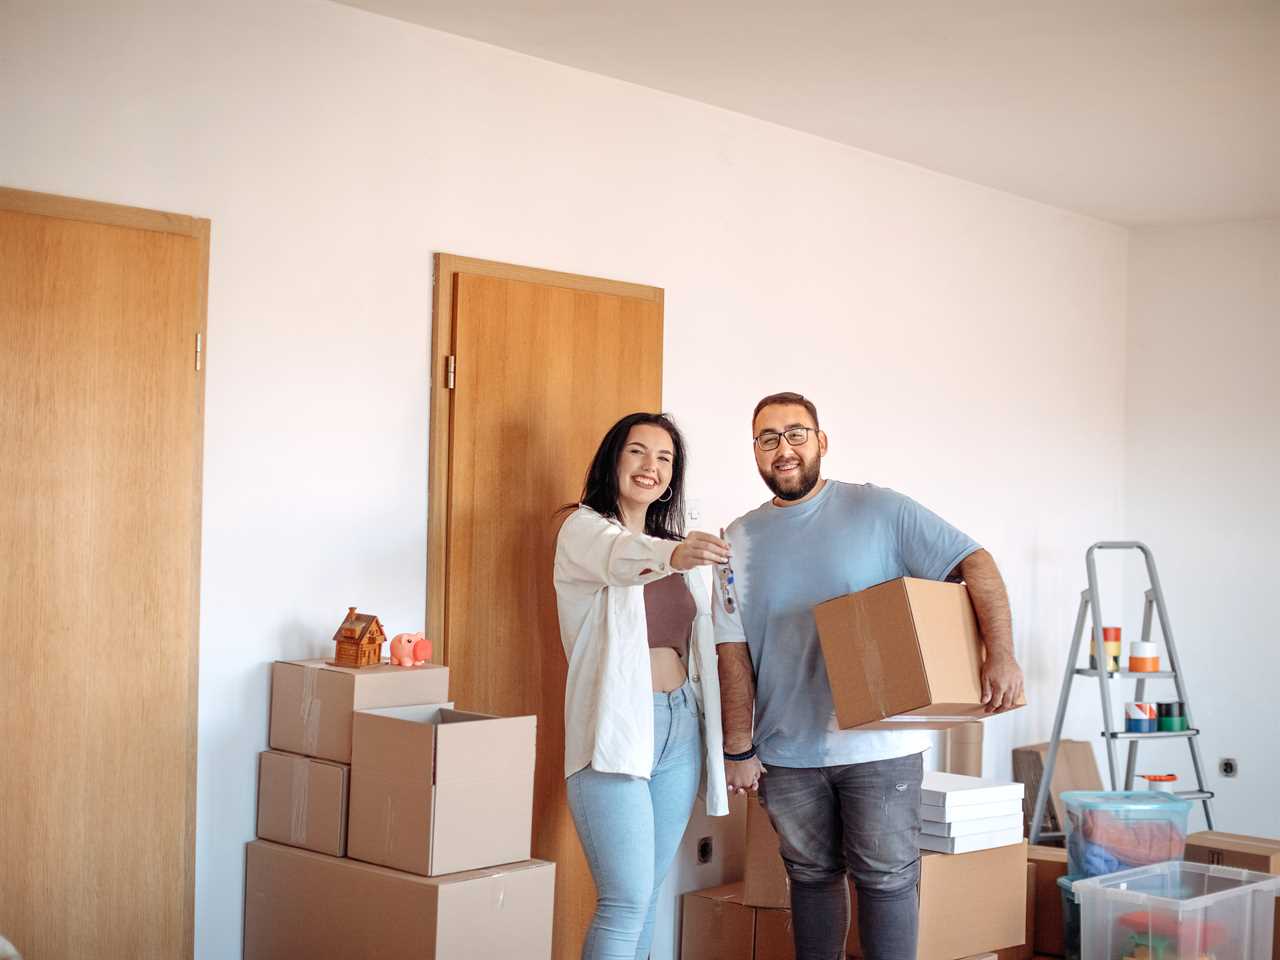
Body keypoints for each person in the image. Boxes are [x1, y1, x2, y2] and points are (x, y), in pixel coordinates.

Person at [713, 391, 1026, 960]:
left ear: (821, 442)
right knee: (809, 877)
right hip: (787, 749)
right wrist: (738, 745)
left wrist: (999, 655)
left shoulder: (878, 509)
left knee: (886, 879)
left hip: (881, 743)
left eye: (795, 434)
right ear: (754, 452)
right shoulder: (737, 538)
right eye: (767, 438)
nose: (783, 449)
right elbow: (731, 648)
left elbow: (973, 560)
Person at [554, 411, 733, 960]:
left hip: (679, 727)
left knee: (650, 895)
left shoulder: (674, 551)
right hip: (616, 728)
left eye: (664, 458)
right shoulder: (583, 530)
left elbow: (707, 637)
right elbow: (620, 558)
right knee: (625, 901)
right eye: (637, 451)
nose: (650, 466)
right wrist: (676, 555)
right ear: (613, 458)